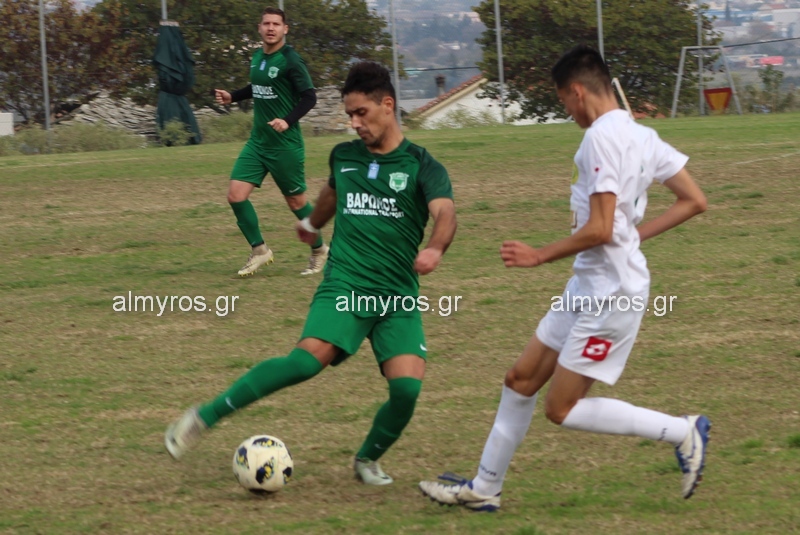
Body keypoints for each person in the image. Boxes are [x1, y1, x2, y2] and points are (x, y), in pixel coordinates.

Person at [419, 44, 710, 511]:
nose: (567, 112)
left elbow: (600, 228)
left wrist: (538, 256)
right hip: (587, 286)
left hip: (612, 294)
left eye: (563, 102)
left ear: (577, 92)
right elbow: (694, 200)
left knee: (561, 408)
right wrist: (632, 236)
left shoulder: (600, 137)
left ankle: (683, 431)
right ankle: (485, 489)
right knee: (520, 379)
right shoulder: (642, 134)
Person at [166, 61, 458, 486]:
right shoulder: (344, 156)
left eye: (361, 113)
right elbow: (332, 194)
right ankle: (203, 417)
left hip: (397, 294)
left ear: (387, 105)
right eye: (350, 114)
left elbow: (445, 214)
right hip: (346, 284)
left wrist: (434, 248)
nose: (354, 123)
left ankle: (367, 459)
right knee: (305, 362)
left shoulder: (421, 164)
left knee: (407, 390)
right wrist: (311, 223)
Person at [215, 6, 327, 277]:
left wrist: (287, 120)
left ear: (285, 29)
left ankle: (320, 250)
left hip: (285, 145)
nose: (271, 28)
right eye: (266, 23)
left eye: (276, 24)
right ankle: (260, 251)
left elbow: (309, 97)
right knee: (235, 195)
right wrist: (233, 96)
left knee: (296, 203)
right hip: (258, 143)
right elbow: (258, 87)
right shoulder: (257, 57)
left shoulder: (291, 60)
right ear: (259, 28)